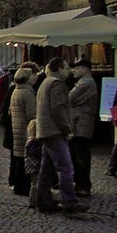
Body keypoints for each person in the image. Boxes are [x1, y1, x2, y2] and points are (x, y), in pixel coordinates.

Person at [35, 58, 88, 213]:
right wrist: (67, 129)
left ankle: (43, 201)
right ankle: (69, 202)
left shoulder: (45, 83)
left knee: (47, 168)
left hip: (45, 131)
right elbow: (58, 108)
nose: (69, 71)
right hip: (54, 132)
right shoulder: (56, 84)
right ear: (59, 69)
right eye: (66, 68)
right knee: (65, 168)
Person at [68, 58, 98, 196]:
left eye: (77, 68)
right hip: (80, 124)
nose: (74, 70)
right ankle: (80, 183)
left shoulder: (86, 82)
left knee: (81, 156)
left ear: (86, 69)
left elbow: (70, 97)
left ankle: (83, 185)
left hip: (81, 125)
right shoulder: (84, 82)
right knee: (79, 155)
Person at [8, 67, 37, 197]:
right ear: (27, 78)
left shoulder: (16, 90)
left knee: (19, 156)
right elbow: (32, 113)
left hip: (17, 126)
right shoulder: (27, 92)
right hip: (25, 128)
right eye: (33, 75)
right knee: (25, 157)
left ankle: (18, 186)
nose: (35, 77)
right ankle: (24, 187)